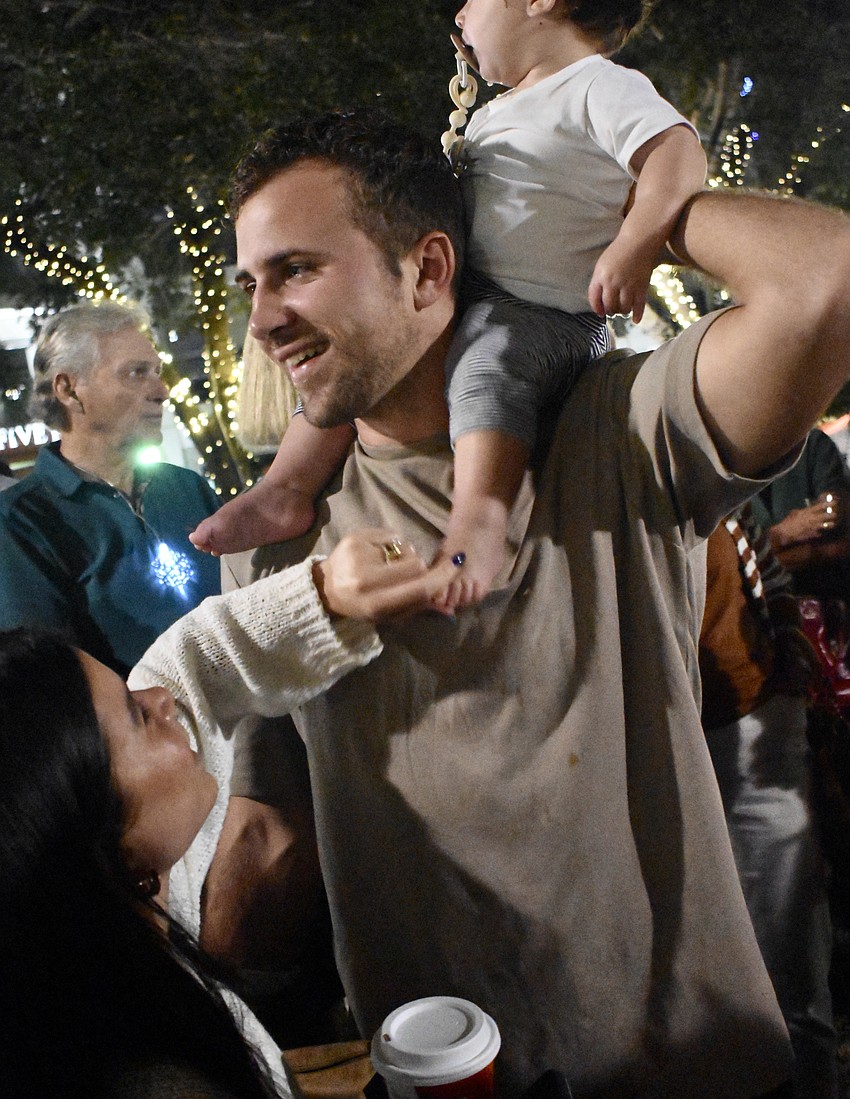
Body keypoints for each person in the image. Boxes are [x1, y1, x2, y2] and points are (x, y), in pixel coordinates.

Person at [205, 106, 850, 1098]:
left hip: (681, 1065)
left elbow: (823, 278)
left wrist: (611, 207)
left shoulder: (615, 430)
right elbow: (269, 828)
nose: (262, 318)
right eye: (252, 281)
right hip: (434, 1071)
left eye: (295, 270)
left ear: (428, 268)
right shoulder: (272, 538)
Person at [191, 0, 706, 611]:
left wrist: (636, 243)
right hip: (484, 296)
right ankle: (285, 487)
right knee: (354, 372)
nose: (460, 13)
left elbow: (678, 155)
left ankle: (480, 522)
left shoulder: (599, 86)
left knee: (485, 373)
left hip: (542, 313)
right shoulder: (505, 108)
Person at [0, 531, 451, 1098]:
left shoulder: (103, 919)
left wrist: (327, 593)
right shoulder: (152, 1075)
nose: (158, 697)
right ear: (92, 840)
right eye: (136, 715)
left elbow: (194, 667)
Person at [0, 301, 222, 677]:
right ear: (69, 390)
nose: (161, 390)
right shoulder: (19, 523)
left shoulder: (187, 487)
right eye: (136, 373)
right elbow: (52, 679)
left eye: (157, 372)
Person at [699, 505, 838, 1098]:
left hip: (754, 722)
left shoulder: (712, 480)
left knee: (788, 952)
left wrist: (788, 649)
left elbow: (770, 575)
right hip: (658, 744)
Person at [750, 426, 850, 601]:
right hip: (763, 610)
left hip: (826, 599)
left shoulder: (811, 443)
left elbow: (836, 529)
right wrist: (782, 534)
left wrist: (761, 557)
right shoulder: (718, 474)